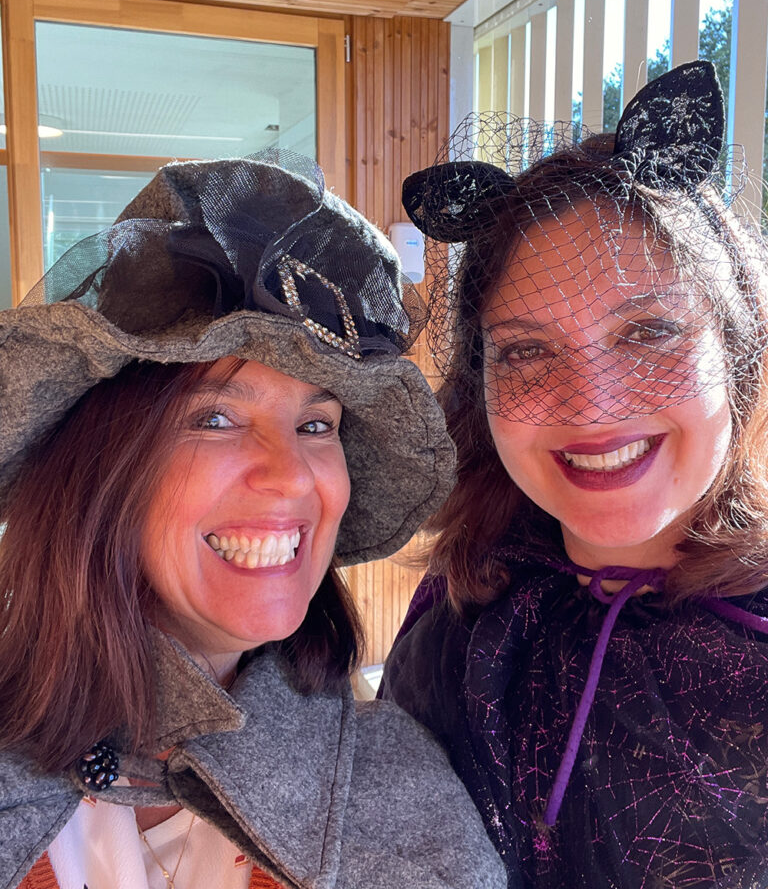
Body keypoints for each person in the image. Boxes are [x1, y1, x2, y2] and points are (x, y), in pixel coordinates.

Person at [0, 152, 505, 889]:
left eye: (316, 425)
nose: (292, 476)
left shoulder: (403, 799)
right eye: (216, 418)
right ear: (100, 469)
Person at [380, 61, 768, 888]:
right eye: (527, 351)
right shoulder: (452, 627)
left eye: (648, 332)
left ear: (736, 350)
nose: (592, 406)